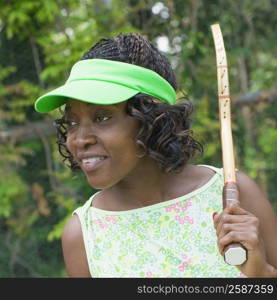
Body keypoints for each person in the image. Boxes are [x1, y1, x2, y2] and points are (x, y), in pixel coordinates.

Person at [34, 33, 277, 278]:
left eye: (102, 117)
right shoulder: (83, 235)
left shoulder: (233, 195)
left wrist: (260, 273)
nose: (78, 139)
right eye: (72, 122)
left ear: (153, 119)